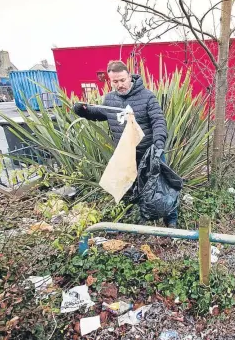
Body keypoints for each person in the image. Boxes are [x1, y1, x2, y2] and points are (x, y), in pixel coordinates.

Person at [73, 60, 178, 228]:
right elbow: (99, 114)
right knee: (131, 189)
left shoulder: (147, 96)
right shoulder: (110, 99)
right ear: (110, 80)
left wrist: (159, 144)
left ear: (129, 76)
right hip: (127, 156)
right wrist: (82, 110)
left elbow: (158, 121)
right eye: (115, 81)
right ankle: (138, 221)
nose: (120, 85)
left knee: (162, 187)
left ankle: (171, 221)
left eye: (122, 80)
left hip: (151, 152)